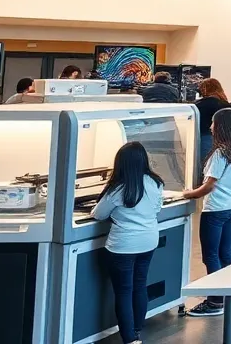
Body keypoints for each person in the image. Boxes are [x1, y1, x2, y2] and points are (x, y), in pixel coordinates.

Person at [92, 142, 164, 344]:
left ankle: (129, 338)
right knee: (140, 285)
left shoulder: (118, 189)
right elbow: (157, 209)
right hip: (149, 240)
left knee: (123, 291)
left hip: (123, 245)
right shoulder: (155, 183)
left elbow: (99, 214)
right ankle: (137, 330)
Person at [182, 108, 231, 318]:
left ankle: (214, 301)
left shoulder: (220, 153)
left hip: (216, 209)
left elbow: (210, 185)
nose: (210, 126)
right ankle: (228, 293)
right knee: (226, 253)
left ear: (220, 126)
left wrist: (190, 195)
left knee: (211, 255)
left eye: (212, 122)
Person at [193, 79, 231, 179]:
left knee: (205, 165)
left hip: (204, 137)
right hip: (225, 139)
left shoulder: (199, 105)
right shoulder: (225, 103)